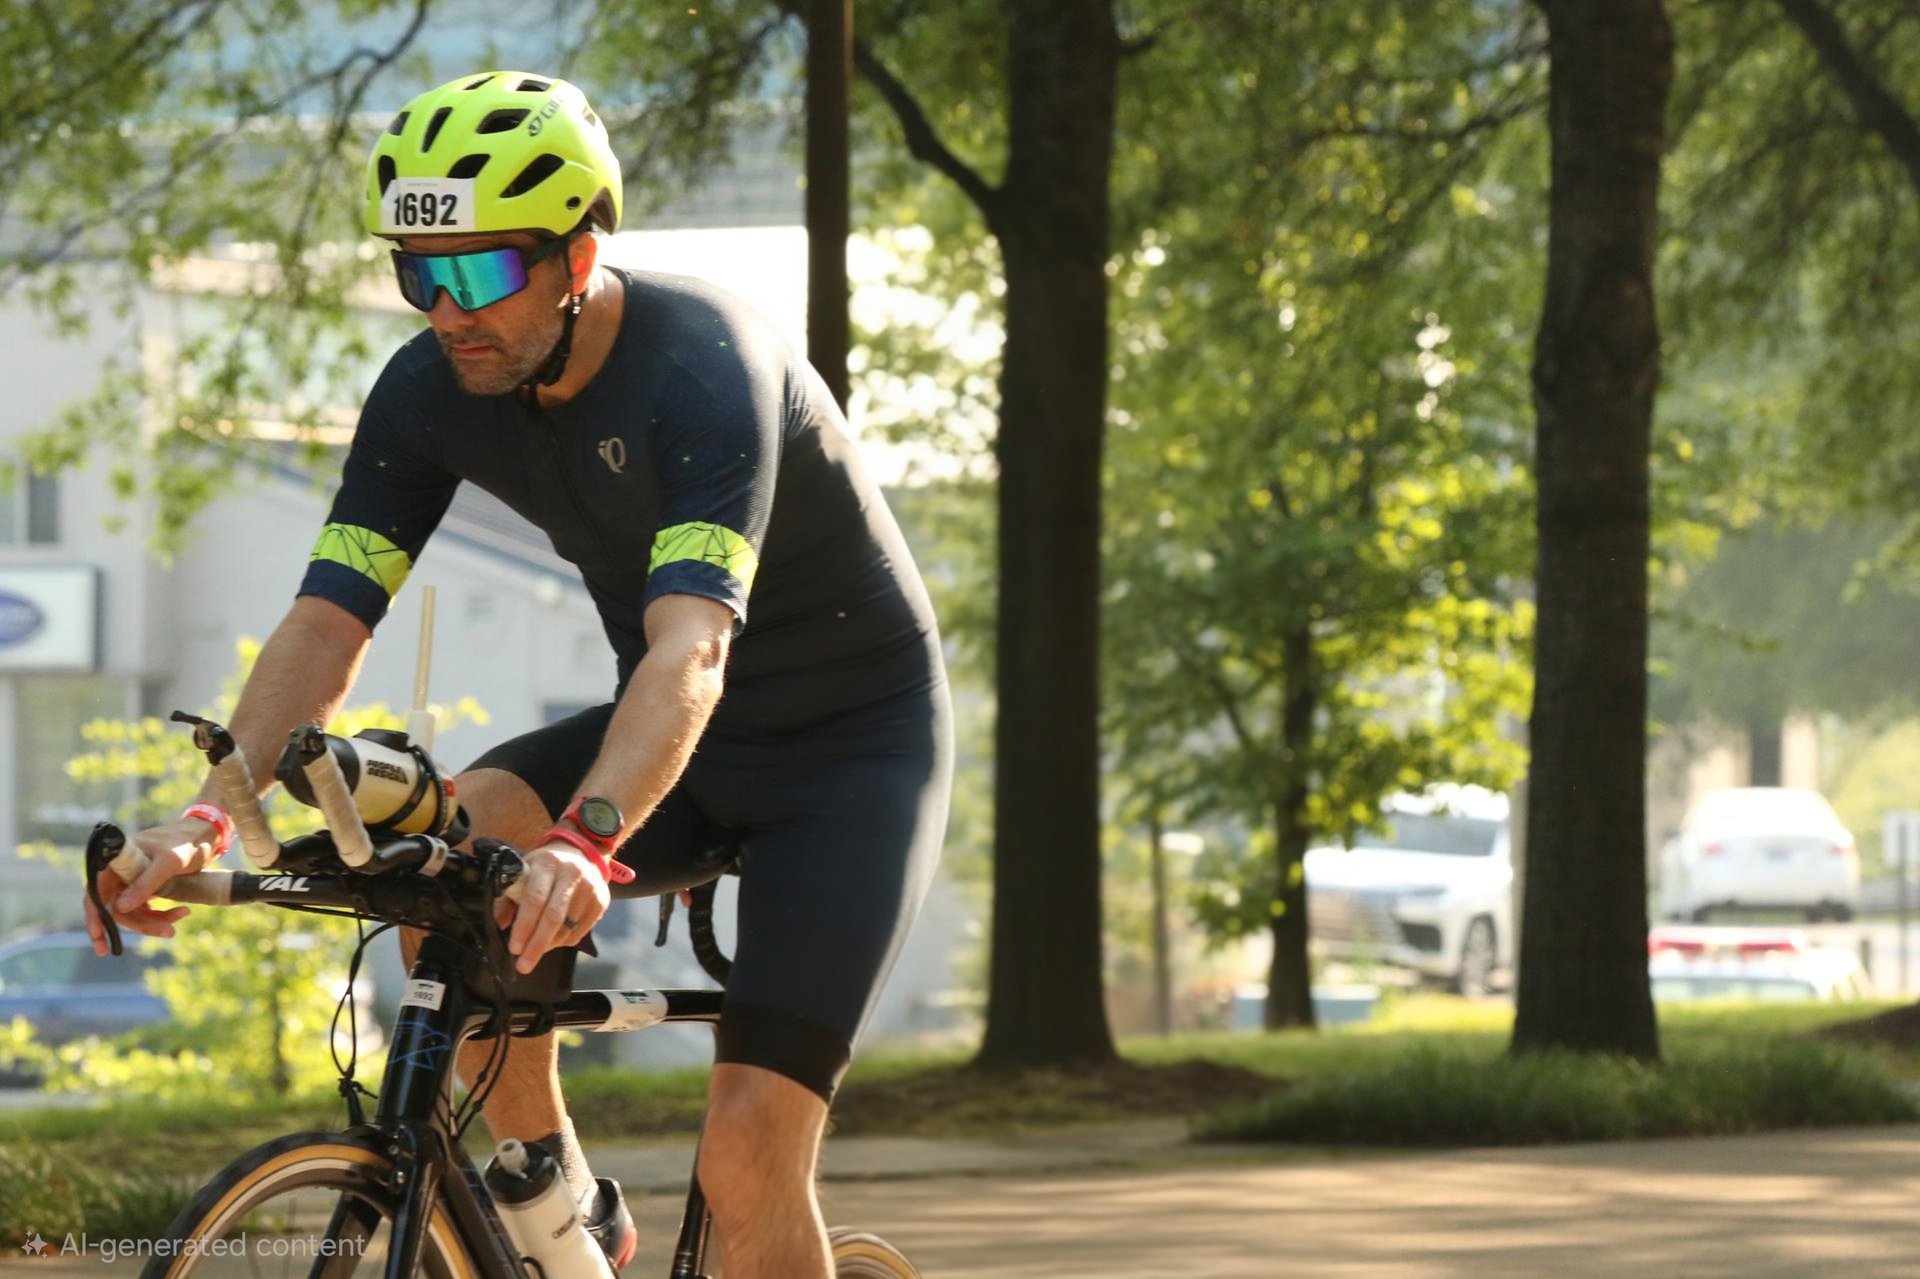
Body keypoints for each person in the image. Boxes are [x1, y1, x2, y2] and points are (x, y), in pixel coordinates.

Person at [82, 69, 952, 1279]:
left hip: (848, 759)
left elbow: (691, 645)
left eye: (481, 273)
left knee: (747, 1155)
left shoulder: (707, 365)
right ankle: (553, 1186)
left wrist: (591, 838)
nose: (446, 311)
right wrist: (213, 811)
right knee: (452, 844)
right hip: (680, 739)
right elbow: (328, 621)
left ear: (579, 251)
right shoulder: (428, 388)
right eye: (416, 275)